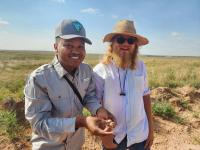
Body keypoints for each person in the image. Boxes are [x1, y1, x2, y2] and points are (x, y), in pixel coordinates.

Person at [24, 19, 115, 150]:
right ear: (55, 47)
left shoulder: (86, 71)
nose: (76, 51)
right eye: (69, 45)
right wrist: (81, 122)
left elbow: (88, 96)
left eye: (80, 46)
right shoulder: (39, 79)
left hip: (76, 144)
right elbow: (39, 124)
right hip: (49, 146)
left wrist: (98, 110)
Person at [93, 19, 154, 150]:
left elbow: (145, 96)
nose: (126, 44)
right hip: (113, 136)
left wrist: (151, 129)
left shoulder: (141, 67)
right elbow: (95, 105)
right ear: (112, 43)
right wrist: (105, 137)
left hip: (139, 134)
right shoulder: (100, 69)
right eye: (120, 40)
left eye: (131, 41)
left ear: (135, 45)